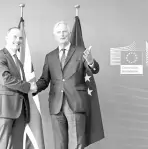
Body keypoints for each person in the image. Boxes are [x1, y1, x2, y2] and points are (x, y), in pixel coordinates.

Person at [33, 21, 100, 149]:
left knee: (77, 144)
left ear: (69, 34)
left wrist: (91, 61)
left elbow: (95, 69)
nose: (62, 34)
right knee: (59, 145)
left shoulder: (81, 52)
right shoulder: (50, 57)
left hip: (75, 104)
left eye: (64, 31)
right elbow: (44, 80)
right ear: (54, 35)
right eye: (59, 32)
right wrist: (33, 88)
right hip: (56, 105)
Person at [0, 27, 37, 149]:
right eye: (14, 37)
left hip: (20, 111)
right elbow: (5, 79)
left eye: (20, 37)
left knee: (17, 146)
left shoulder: (18, 62)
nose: (18, 40)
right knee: (2, 145)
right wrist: (28, 86)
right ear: (7, 38)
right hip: (4, 108)